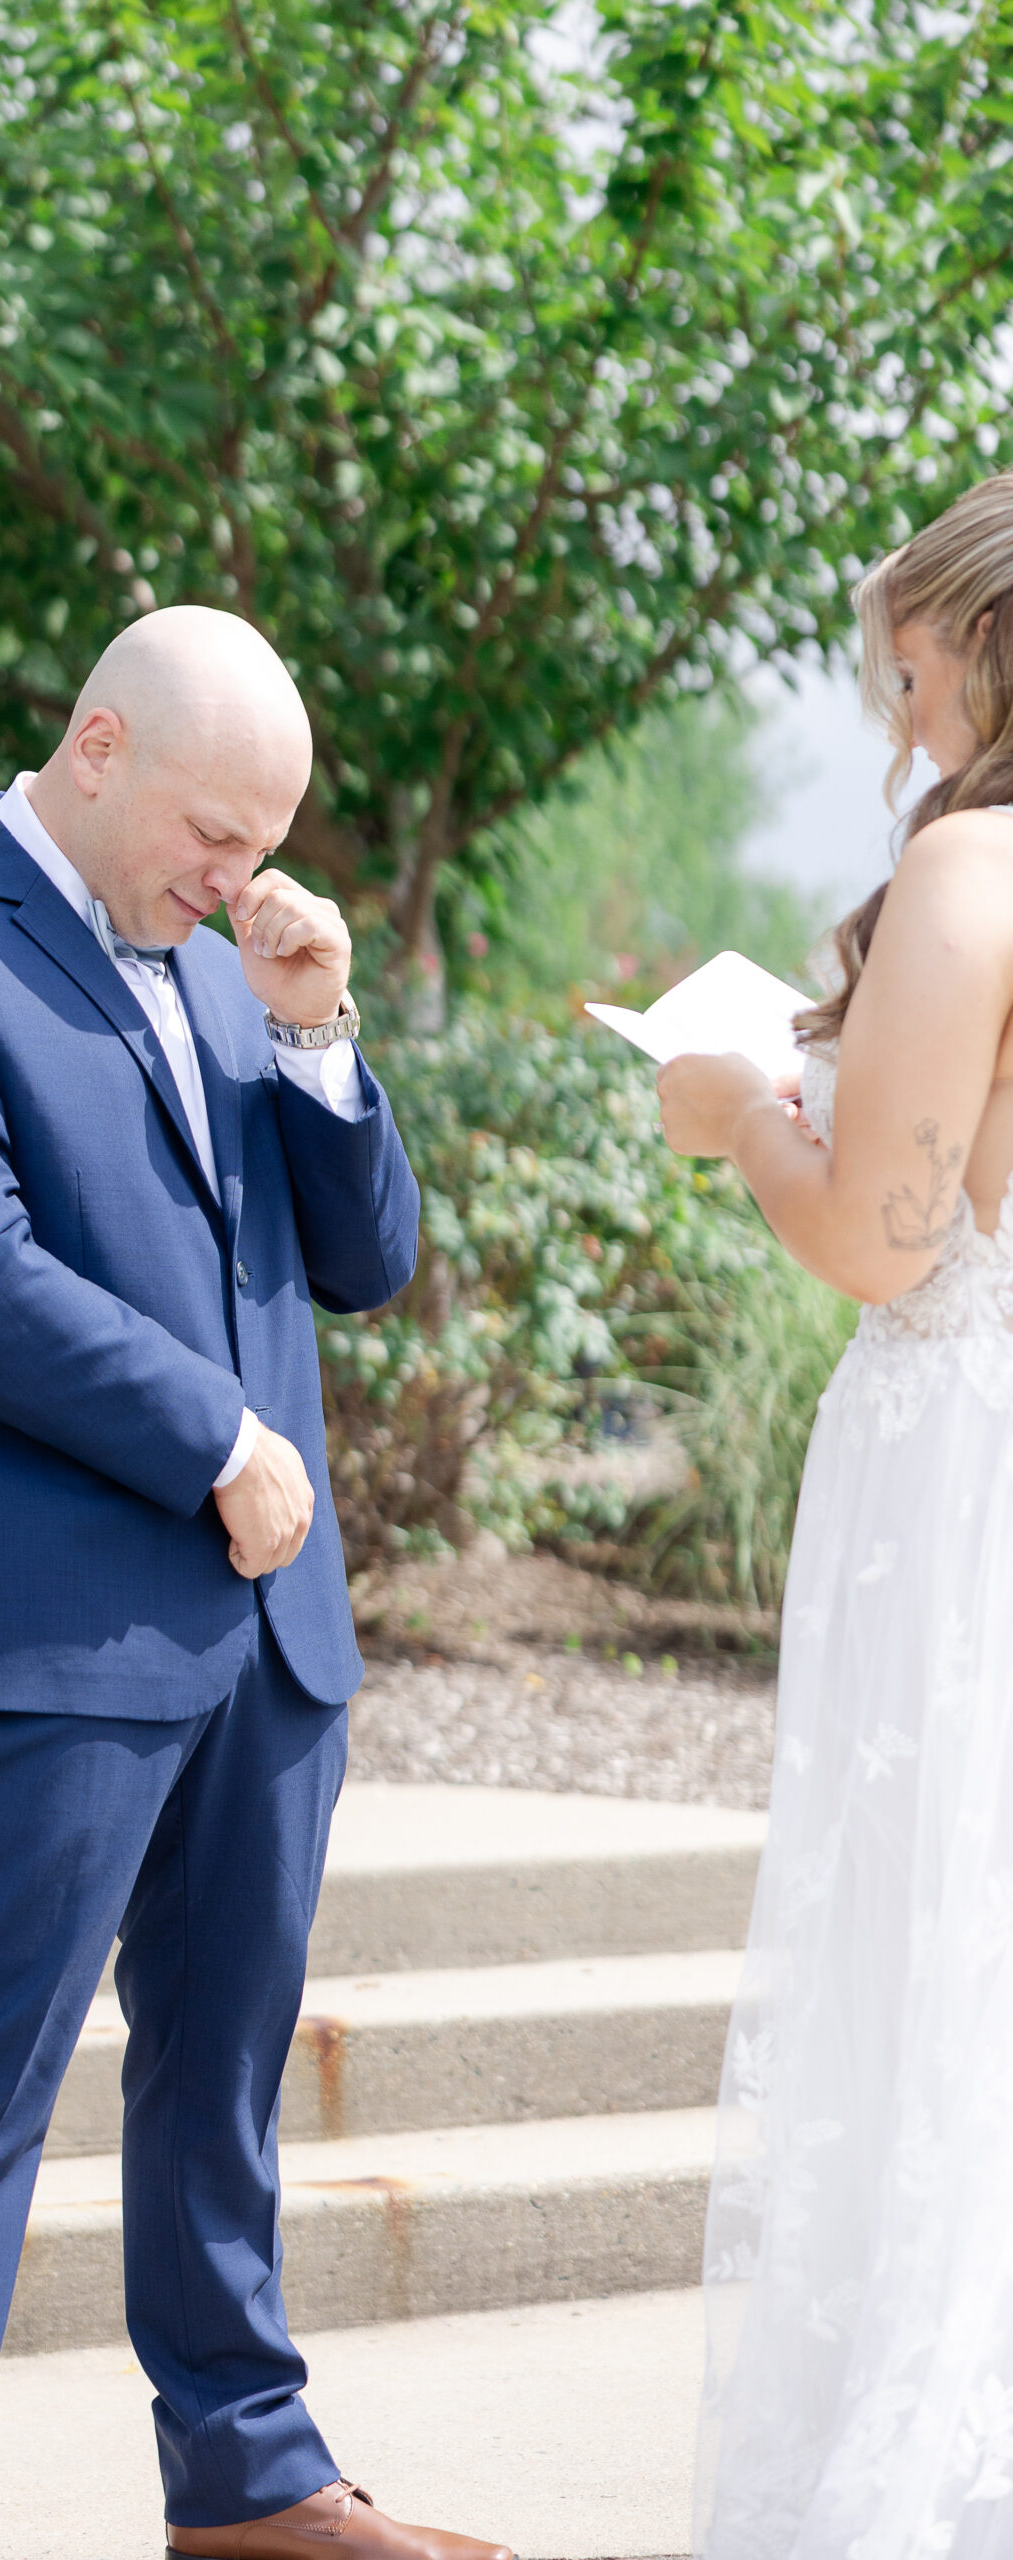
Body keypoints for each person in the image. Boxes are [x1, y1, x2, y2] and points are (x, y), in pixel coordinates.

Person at [0, 607, 513, 2560]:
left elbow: (356, 1260)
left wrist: (312, 1025)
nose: (236, 872)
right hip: (50, 1629)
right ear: (94, 744)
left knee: (222, 2082)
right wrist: (213, 1435)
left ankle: (247, 2472)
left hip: (269, 1638)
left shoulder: (217, 959)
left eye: (262, 836)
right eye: (213, 827)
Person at [657, 472, 1013, 2559]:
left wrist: (729, 1120)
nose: (889, 721)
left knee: (933, 1961)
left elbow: (883, 1241)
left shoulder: (973, 866)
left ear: (980, 641)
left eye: (899, 667)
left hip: (961, 1471)